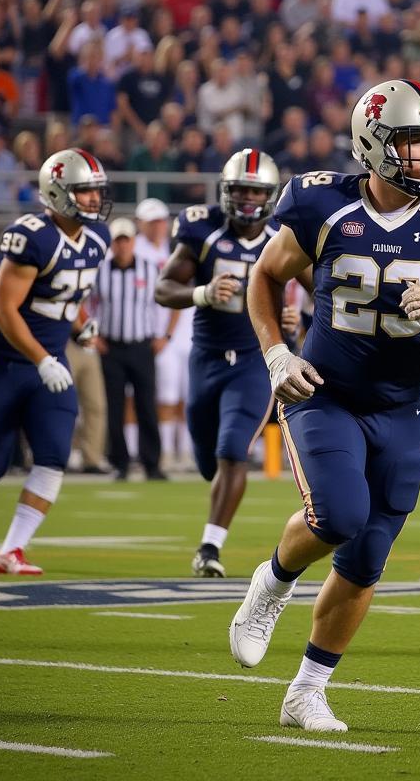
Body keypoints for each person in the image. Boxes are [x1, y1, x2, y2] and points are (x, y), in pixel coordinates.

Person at [229, 79, 420, 731]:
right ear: (374, 144)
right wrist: (276, 353)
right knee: (339, 515)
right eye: (413, 143)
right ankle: (271, 583)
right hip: (322, 394)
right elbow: (265, 277)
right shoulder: (321, 203)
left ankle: (307, 690)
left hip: (402, 406)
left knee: (367, 557)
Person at [0, 150, 111, 574]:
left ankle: (11, 550)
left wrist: (81, 326)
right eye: (83, 191)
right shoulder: (31, 236)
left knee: (53, 455)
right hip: (4, 361)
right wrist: (40, 358)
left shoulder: (98, 239)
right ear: (57, 193)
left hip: (50, 363)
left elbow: (68, 293)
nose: (92, 199)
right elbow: (3, 309)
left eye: (95, 190)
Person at [155, 148, 283, 578]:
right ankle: (214, 522)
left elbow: (324, 290)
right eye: (241, 192)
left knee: (233, 452)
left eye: (256, 193)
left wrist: (295, 319)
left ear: (270, 196)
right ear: (226, 192)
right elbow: (164, 287)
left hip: (254, 359)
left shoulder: (283, 235)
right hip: (206, 358)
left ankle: (210, 547)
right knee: (209, 460)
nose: (248, 202)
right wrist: (203, 294)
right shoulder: (203, 228)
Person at [94, 218, 167, 480]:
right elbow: (85, 302)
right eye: (118, 240)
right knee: (114, 407)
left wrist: (164, 336)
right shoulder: (99, 271)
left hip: (142, 346)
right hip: (110, 347)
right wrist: (93, 336)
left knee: (146, 405)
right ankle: (120, 463)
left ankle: (152, 464)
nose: (122, 245)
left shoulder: (150, 269)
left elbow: (166, 302)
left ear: (134, 242)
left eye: (126, 240)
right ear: (112, 244)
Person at [133, 198, 191, 471]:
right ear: (140, 223)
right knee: (164, 395)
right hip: (156, 333)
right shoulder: (135, 252)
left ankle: (186, 451)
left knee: (186, 394)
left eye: (160, 221)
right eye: (151, 221)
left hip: (185, 333)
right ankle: (165, 451)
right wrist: (162, 335)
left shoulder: (174, 249)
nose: (157, 226)